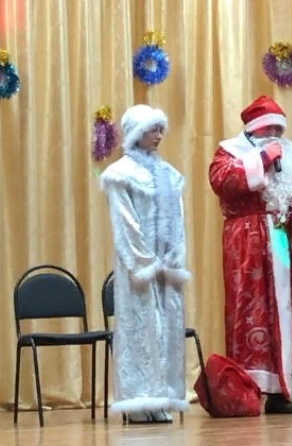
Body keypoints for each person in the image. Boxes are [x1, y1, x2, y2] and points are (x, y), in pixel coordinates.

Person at [208, 95, 292, 414]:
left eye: (279, 128)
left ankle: (282, 391)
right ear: (253, 129)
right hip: (247, 243)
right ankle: (250, 388)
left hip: (287, 242)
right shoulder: (230, 151)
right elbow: (222, 180)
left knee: (290, 310)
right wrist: (262, 160)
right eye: (268, 128)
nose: (274, 134)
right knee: (252, 310)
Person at [100, 104, 191, 424]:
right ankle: (139, 401)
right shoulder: (121, 174)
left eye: (160, 129)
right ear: (137, 133)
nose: (159, 135)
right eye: (152, 129)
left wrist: (175, 257)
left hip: (167, 267)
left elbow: (179, 220)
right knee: (142, 328)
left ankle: (160, 397)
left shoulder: (169, 175)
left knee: (167, 330)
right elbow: (125, 223)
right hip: (140, 267)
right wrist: (145, 262)